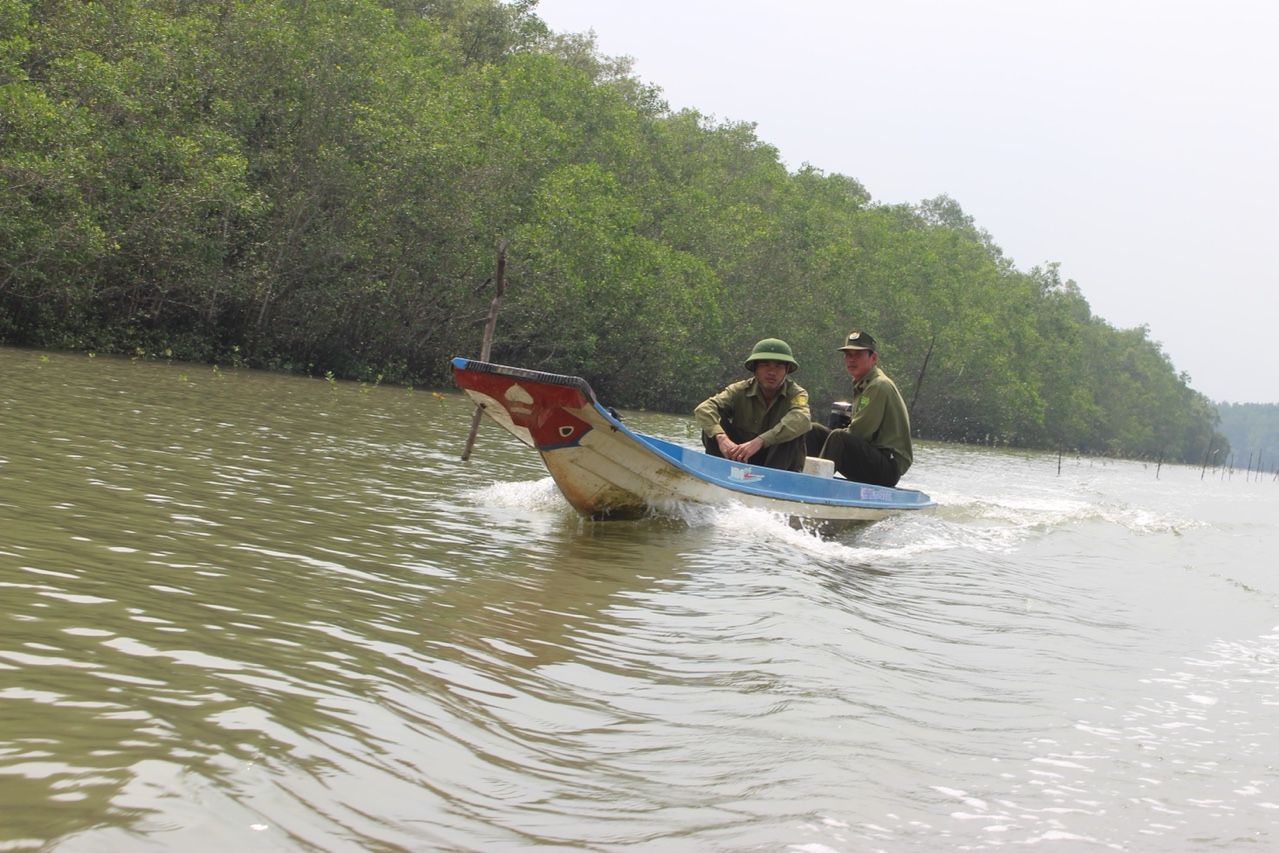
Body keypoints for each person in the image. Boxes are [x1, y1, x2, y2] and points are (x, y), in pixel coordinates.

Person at [806, 330, 913, 486]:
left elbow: (860, 433)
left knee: (838, 438)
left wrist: (837, 437)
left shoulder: (878, 386)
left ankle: (814, 486)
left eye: (858, 355)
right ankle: (800, 475)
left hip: (888, 467)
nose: (852, 360)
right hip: (872, 455)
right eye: (848, 355)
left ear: (873, 358)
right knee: (813, 431)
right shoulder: (864, 384)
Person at [695, 338, 812, 472]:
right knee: (713, 422)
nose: (772, 372)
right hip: (740, 457)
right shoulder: (739, 390)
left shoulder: (796, 394)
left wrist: (760, 441)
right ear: (755, 368)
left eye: (779, 366)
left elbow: (802, 418)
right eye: (765, 365)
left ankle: (771, 482)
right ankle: (716, 472)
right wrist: (722, 438)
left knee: (794, 430)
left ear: (786, 370)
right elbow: (704, 408)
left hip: (776, 464)